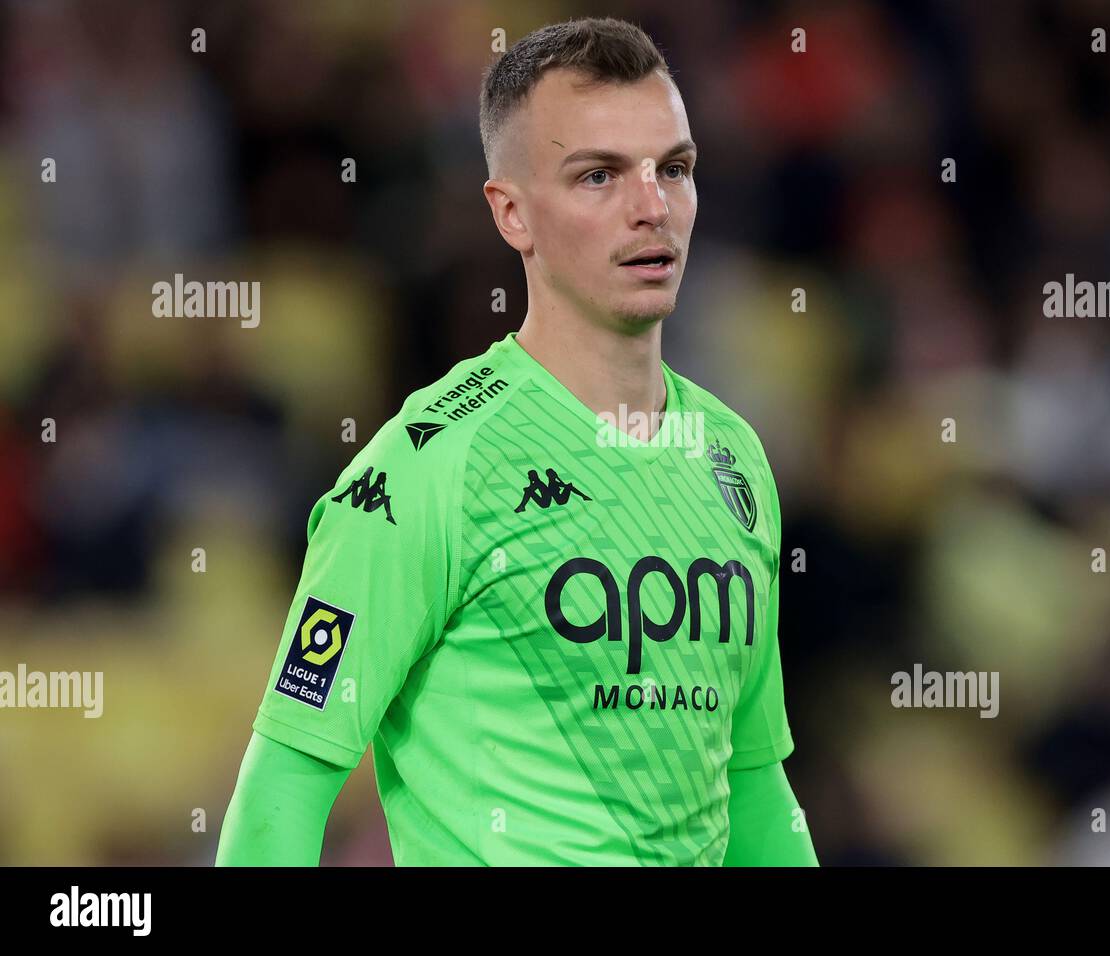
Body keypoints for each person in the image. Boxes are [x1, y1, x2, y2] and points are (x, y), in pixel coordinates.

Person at [216, 16, 817, 866]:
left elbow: (755, 790)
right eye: (599, 176)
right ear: (512, 214)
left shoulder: (734, 461)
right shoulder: (426, 469)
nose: (652, 208)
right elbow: (284, 783)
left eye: (673, 169)